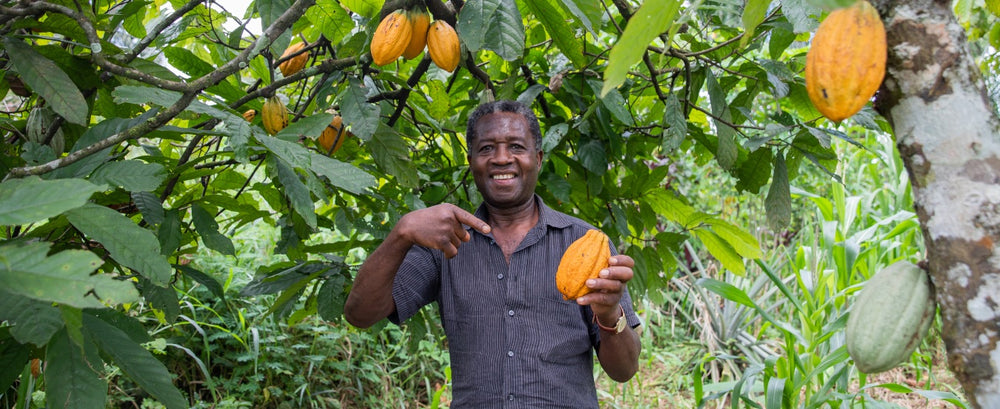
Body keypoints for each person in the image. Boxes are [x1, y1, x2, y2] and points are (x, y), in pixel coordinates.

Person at [344, 99, 641, 408]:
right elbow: (360, 314)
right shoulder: (445, 242)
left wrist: (609, 315)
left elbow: (624, 370)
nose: (501, 159)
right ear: (471, 161)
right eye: (486, 149)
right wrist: (402, 232)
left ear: (537, 158)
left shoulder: (585, 243)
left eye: (516, 146)